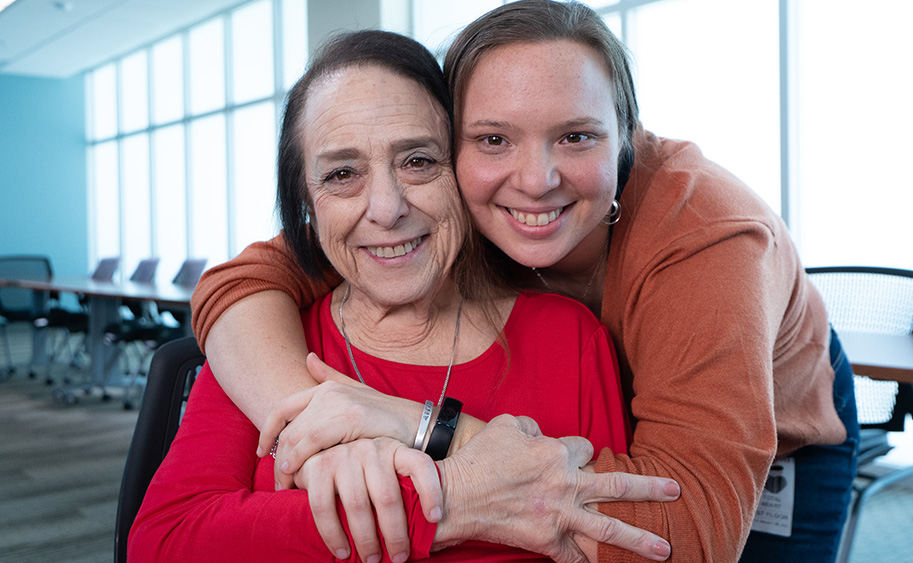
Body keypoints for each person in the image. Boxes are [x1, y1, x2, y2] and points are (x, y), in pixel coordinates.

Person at [191, 1, 859, 561]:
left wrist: (412, 423)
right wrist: (309, 424)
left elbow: (690, 536)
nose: (535, 179)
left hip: (771, 417)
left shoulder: (708, 239)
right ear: (449, 141)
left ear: (623, 137)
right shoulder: (439, 196)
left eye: (575, 136)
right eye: (492, 139)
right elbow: (252, 276)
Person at [128, 29, 679, 563]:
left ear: (464, 170)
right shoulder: (269, 343)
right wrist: (451, 502)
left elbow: (611, 541)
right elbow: (163, 544)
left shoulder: (568, 337)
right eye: (343, 174)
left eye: (418, 161)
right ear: (306, 202)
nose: (387, 208)